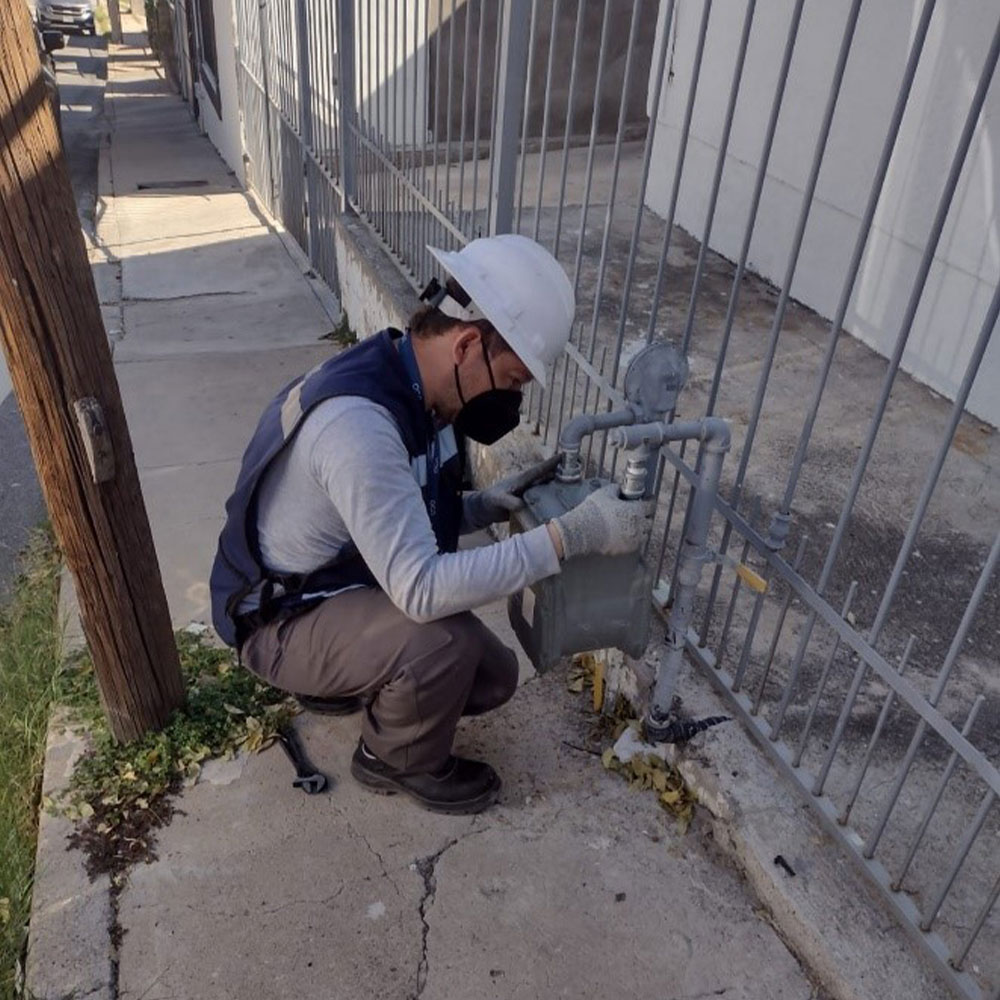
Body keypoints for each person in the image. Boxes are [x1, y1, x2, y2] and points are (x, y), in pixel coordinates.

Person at [209, 234, 651, 814]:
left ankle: (354, 680)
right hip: (276, 621)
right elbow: (419, 588)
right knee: (440, 643)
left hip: (324, 585)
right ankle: (392, 759)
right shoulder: (359, 429)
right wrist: (569, 539)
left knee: (490, 677)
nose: (514, 400)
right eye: (514, 380)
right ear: (468, 343)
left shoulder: (413, 382)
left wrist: (485, 505)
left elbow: (399, 514)